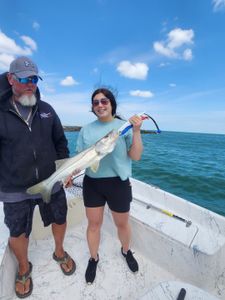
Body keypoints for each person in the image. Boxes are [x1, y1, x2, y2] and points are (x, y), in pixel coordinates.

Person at [0, 56, 76, 298]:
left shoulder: (47, 110)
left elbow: (61, 143)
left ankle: (59, 252)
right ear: (11, 79)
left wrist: (64, 171)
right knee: (17, 232)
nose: (30, 84)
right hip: (13, 187)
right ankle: (24, 268)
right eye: (24, 79)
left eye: (34, 79)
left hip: (51, 182)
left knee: (60, 218)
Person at [76, 88, 143, 284]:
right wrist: (70, 173)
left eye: (104, 101)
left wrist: (137, 131)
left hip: (118, 184)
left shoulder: (124, 127)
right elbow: (80, 158)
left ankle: (125, 250)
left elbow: (136, 156)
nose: (100, 105)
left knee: (121, 224)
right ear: (92, 107)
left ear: (111, 103)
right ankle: (93, 258)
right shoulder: (85, 130)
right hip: (93, 183)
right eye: (95, 103)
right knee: (94, 225)